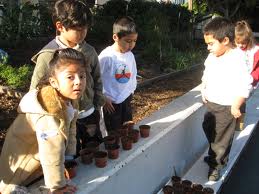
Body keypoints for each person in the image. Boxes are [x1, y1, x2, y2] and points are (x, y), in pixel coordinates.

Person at [0, 48, 87, 194]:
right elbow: (51, 151)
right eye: (70, 77)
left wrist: (68, 158)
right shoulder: (48, 113)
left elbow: (70, 129)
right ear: (54, 82)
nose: (78, 82)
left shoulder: (69, 100)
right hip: (18, 178)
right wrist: (58, 186)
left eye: (82, 76)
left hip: (38, 167)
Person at [30, 0, 105, 156]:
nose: (83, 32)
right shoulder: (48, 55)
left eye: (86, 28)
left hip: (89, 112)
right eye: (78, 29)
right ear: (60, 26)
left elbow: (97, 79)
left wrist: (97, 106)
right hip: (63, 119)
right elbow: (35, 91)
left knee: (96, 150)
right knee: (70, 156)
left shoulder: (89, 51)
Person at [200, 17, 253, 181]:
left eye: (211, 44)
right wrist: (203, 88)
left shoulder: (237, 59)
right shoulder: (213, 56)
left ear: (225, 40)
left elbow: (246, 84)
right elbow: (206, 73)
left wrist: (236, 105)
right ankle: (214, 156)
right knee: (208, 128)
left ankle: (216, 166)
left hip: (226, 106)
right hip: (212, 103)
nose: (208, 48)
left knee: (220, 140)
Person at [98, 16, 138, 132]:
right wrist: (103, 97)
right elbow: (95, 78)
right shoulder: (106, 56)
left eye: (134, 41)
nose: (131, 45)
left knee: (127, 128)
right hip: (110, 103)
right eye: (128, 41)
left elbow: (133, 74)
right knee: (113, 132)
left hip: (126, 99)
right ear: (115, 37)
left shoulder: (130, 55)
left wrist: (131, 91)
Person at [235, 20, 259, 86]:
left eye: (243, 43)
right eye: (238, 43)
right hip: (236, 81)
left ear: (248, 40)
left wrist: (253, 78)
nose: (240, 45)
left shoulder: (255, 50)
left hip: (250, 83)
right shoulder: (233, 50)